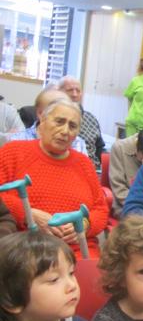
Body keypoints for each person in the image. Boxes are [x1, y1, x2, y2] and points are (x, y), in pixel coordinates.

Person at [0, 99, 108, 258]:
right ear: (42, 121)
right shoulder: (13, 152)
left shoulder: (84, 164)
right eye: (59, 122)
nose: (65, 131)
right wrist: (29, 214)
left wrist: (85, 224)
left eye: (72, 126)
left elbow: (101, 208)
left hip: (79, 249)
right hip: (29, 248)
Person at [4, 87, 88, 155]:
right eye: (59, 121)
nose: (65, 131)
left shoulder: (78, 143)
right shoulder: (17, 141)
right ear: (41, 114)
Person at [109, 128, 143, 217]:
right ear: (137, 146)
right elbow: (119, 189)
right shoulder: (119, 148)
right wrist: (140, 208)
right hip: (126, 206)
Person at [58, 75, 105, 167]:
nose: (75, 94)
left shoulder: (91, 118)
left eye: (78, 91)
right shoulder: (53, 118)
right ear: (59, 92)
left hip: (92, 168)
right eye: (70, 90)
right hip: (66, 167)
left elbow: (100, 148)